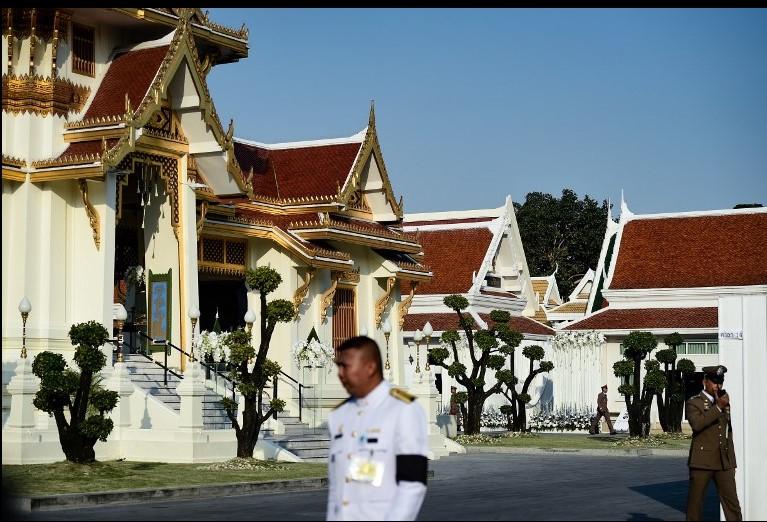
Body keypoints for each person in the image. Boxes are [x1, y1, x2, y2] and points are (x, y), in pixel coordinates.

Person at [326, 336, 429, 521]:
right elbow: (336, 491)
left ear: (370, 367)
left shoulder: (403, 408)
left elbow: (412, 483)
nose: (340, 373)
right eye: (338, 366)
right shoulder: (338, 416)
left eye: (346, 366)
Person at [686, 365, 742, 521]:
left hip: (724, 462)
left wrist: (732, 462)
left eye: (720, 382)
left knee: (732, 505)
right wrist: (718, 407)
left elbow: (727, 433)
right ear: (705, 381)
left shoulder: (724, 401)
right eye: (714, 381)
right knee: (695, 506)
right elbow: (697, 424)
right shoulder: (694, 402)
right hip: (702, 461)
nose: (718, 385)